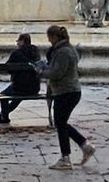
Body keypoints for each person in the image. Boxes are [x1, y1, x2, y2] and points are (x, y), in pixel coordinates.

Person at [37, 24, 95, 169]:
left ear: (55, 37)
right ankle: (84, 146)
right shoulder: (69, 49)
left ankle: (66, 158)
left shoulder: (63, 52)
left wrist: (40, 72)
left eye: (50, 37)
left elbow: (57, 73)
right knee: (61, 123)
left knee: (60, 123)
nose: (49, 41)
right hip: (71, 91)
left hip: (65, 91)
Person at [0, 32, 41, 125]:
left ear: (23, 41)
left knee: (3, 96)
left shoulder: (16, 53)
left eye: (18, 41)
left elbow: (8, 68)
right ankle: (2, 114)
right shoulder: (36, 52)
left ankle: (4, 116)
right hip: (34, 87)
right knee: (17, 97)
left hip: (19, 86)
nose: (17, 43)